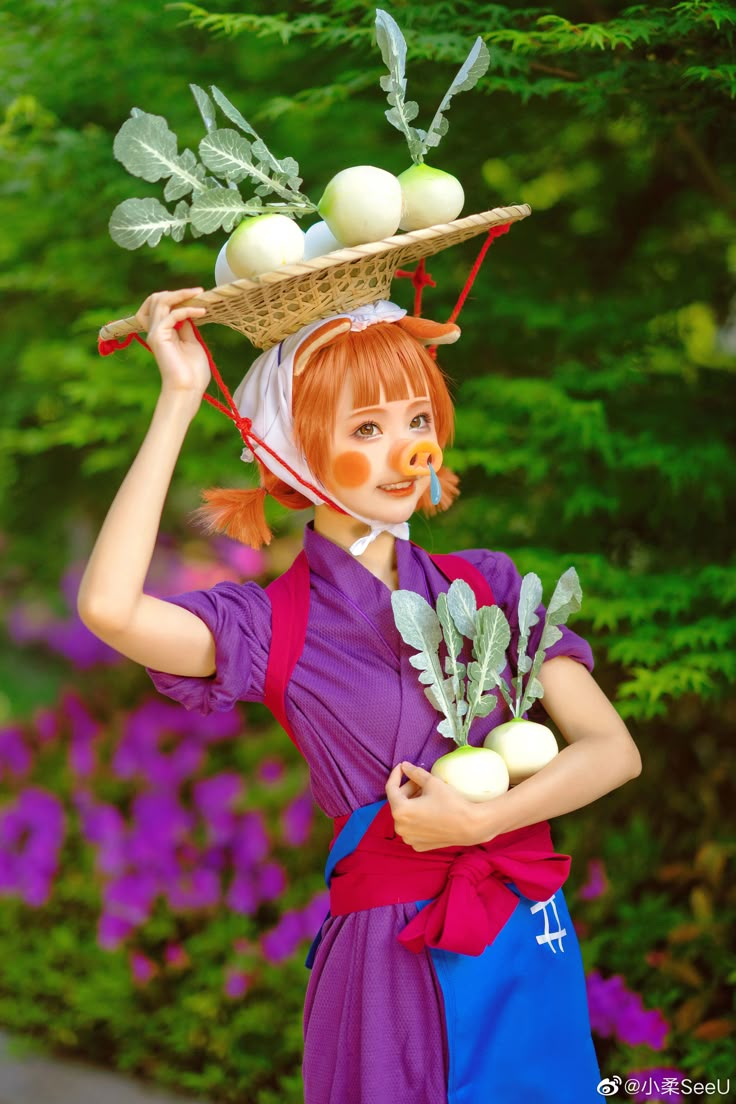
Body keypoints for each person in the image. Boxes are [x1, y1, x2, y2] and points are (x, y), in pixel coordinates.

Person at [81, 277, 642, 1103]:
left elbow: (613, 751)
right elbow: (108, 608)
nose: (406, 450)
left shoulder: (485, 587)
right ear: (292, 450)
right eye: (367, 429)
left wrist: (482, 819)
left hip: (524, 939)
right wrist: (179, 398)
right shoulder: (272, 624)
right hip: (387, 964)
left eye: (417, 421)